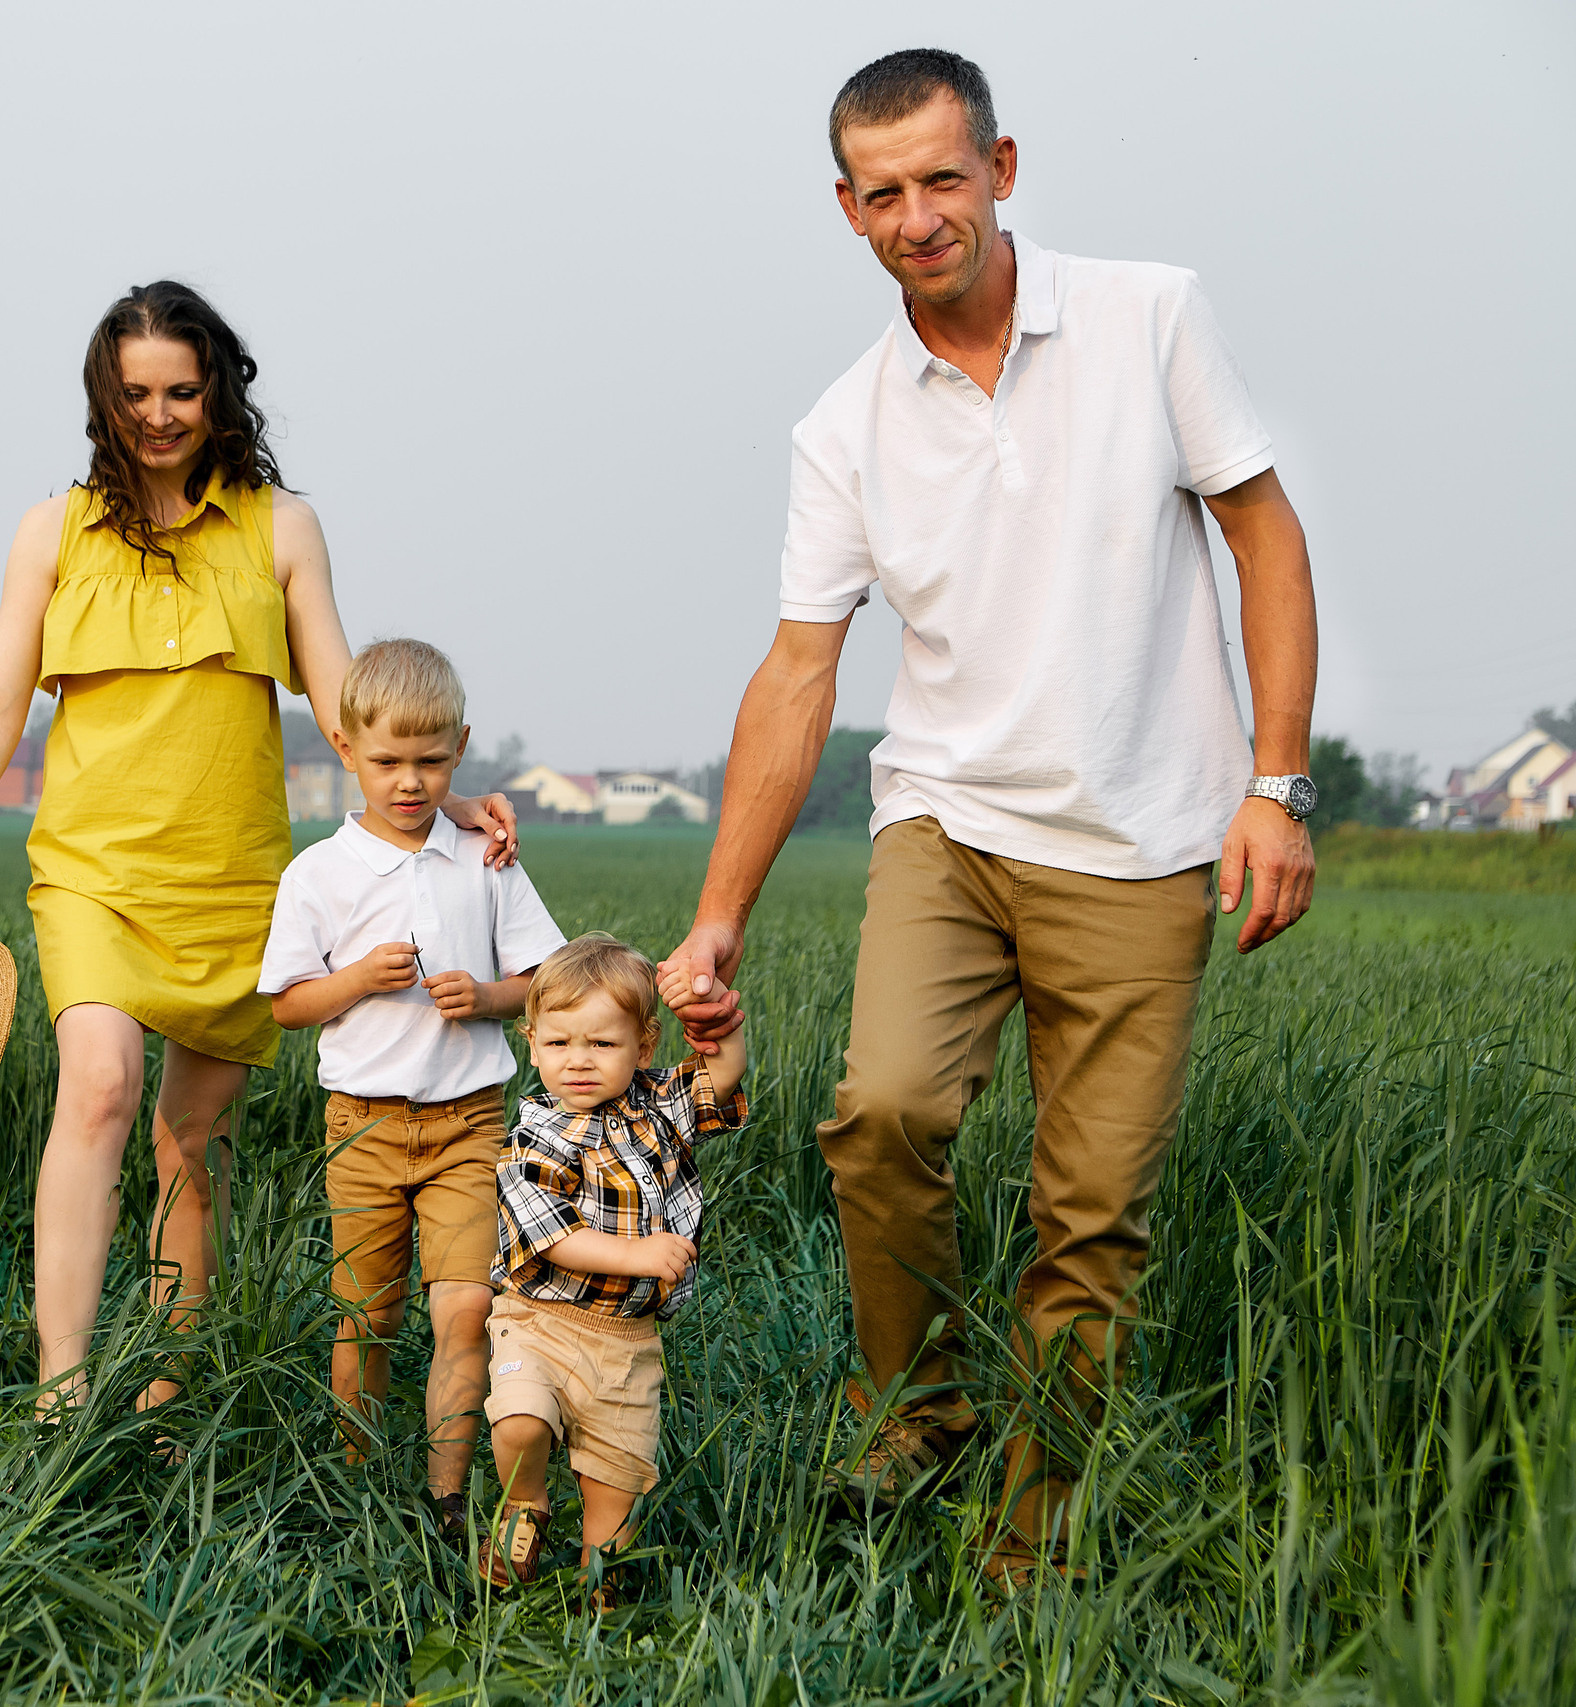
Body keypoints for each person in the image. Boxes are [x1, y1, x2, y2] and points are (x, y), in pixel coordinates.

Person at [663, 50, 1319, 1581]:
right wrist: (717, 916)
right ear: (847, 211)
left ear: (1002, 168)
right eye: (882, 193)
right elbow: (797, 672)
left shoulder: (1150, 314)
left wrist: (1275, 784)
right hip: (948, 824)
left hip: (1146, 838)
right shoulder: (845, 426)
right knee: (880, 1108)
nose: (918, 216)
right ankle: (913, 1414)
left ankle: (1032, 1543)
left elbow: (1265, 537)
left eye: (942, 179)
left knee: (1089, 1215)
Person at [0, 281, 517, 1415]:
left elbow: (340, 697)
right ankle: (60, 1396)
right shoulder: (52, 531)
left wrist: (436, 795)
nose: (158, 415)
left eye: (180, 390)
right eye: (134, 395)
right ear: (101, 399)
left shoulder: (282, 527)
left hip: (236, 883)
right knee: (102, 1089)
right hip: (92, 875)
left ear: (218, 389)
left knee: (189, 1142)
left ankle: (173, 1388)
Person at [259, 638, 565, 1543]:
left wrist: (491, 996)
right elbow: (286, 1006)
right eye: (387, 760)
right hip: (362, 1128)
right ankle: (354, 1484)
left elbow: (546, 981)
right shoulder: (318, 873)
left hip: (470, 1123)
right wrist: (354, 979)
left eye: (431, 761)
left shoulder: (484, 857)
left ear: (461, 749)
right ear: (346, 751)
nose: (409, 780)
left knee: (465, 1307)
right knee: (367, 1314)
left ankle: (445, 1496)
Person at [479, 934, 750, 1602]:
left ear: (643, 1046)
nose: (578, 1061)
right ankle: (526, 1503)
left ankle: (602, 1599)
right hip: (536, 1319)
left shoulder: (657, 1107)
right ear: (532, 1041)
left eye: (602, 1045)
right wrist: (637, 1253)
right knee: (519, 1420)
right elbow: (556, 1238)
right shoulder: (530, 1141)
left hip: (626, 1343)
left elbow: (720, 1077)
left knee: (615, 1492)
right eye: (560, 1043)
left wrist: (719, 1020)